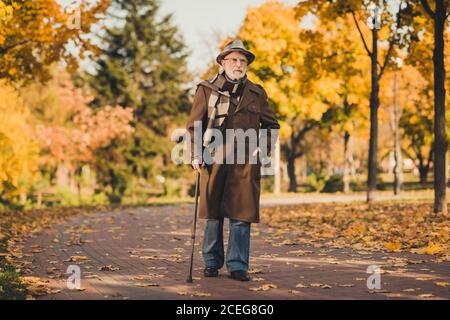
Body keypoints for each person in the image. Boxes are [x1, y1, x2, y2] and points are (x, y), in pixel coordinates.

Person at [186, 39, 280, 281]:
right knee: (213, 215)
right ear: (222, 62)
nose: (238, 64)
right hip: (213, 159)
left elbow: (271, 126)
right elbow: (194, 125)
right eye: (233, 59)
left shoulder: (256, 93)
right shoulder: (206, 89)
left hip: (245, 162)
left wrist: (263, 148)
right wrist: (196, 153)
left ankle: (238, 265)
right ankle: (212, 262)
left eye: (242, 60)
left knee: (241, 216)